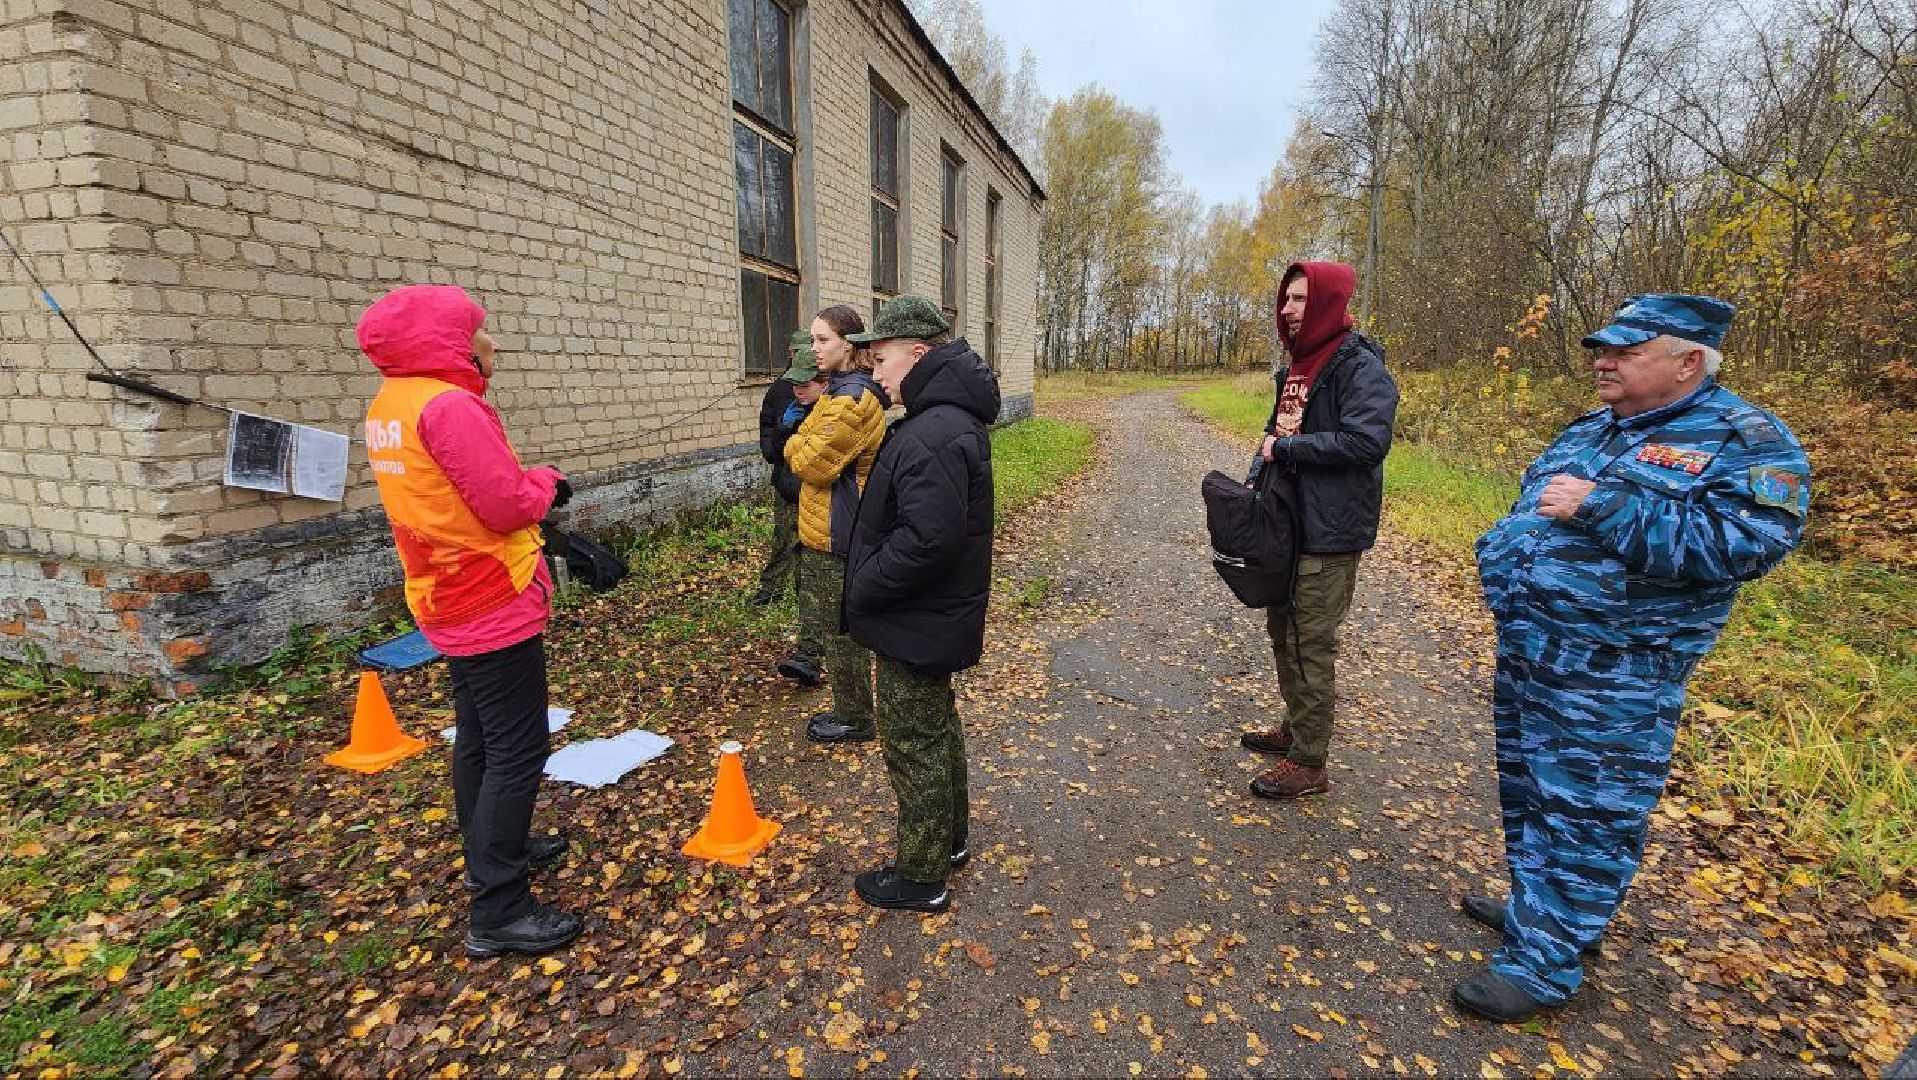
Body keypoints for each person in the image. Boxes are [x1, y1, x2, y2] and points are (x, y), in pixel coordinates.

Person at [1456, 293, 1810, 1022]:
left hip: (1616, 671)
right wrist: (1498, 554)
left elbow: (1743, 548)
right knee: (1527, 792)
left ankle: (1545, 966)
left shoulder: (1747, 441)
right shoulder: (1596, 426)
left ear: (1687, 362)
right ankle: (1541, 913)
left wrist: (1602, 507)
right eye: (1600, 350)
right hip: (1533, 648)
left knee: (1586, 811)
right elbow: (1534, 505)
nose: (1602, 362)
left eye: (1624, 352)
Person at [357, 284, 583, 959]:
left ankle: (494, 849)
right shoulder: (451, 405)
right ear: (449, 343)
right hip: (491, 593)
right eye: (480, 333)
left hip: (442, 590)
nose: (493, 343)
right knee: (519, 748)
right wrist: (546, 480)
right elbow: (508, 504)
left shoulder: (390, 404)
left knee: (480, 737)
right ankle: (500, 906)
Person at [842, 295, 998, 913]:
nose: (875, 374)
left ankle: (921, 873)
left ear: (920, 352)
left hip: (915, 617)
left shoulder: (935, 429)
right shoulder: (947, 419)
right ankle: (949, 843)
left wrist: (866, 585)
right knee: (936, 729)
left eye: (881, 360)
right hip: (931, 615)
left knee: (913, 741)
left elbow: (928, 539)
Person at [1239, 262, 1398, 799]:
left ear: (1329, 301)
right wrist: (1254, 484)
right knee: (1283, 634)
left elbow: (1366, 442)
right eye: (1285, 298)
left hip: (1328, 534)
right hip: (1286, 525)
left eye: (1301, 299)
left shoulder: (1359, 367)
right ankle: (1296, 726)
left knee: (1311, 645)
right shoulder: (1298, 366)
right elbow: (1275, 430)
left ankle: (1310, 762)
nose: (1288, 308)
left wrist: (1286, 450)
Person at [784, 305, 889, 744]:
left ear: (849, 342)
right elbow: (806, 441)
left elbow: (810, 462)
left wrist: (795, 442)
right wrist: (801, 439)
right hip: (828, 525)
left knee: (839, 628)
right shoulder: (837, 391)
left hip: (838, 529)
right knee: (834, 624)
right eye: (813, 340)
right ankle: (853, 708)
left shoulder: (851, 398)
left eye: (822, 339)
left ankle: (856, 717)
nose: (815, 349)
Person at [757, 332, 827, 688]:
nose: (799, 390)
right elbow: (772, 444)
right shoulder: (781, 392)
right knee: (788, 549)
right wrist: (785, 435)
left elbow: (822, 458)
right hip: (790, 491)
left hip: (821, 498)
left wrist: (799, 435)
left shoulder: (835, 404)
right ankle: (773, 592)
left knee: (816, 573)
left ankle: (814, 649)